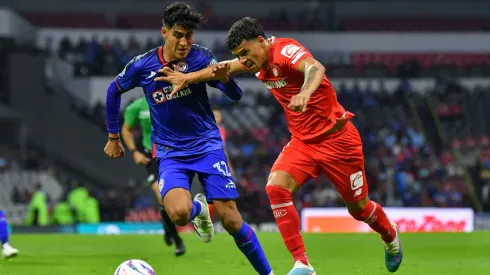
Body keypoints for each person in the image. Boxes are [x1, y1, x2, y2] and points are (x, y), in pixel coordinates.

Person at [155, 16, 403, 275]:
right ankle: (302, 263)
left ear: (261, 42)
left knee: (359, 209)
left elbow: (315, 68)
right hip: (303, 143)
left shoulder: (285, 50)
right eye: (240, 55)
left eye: (246, 53)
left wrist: (305, 93)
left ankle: (389, 234)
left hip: (338, 141)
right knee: (275, 188)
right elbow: (222, 68)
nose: (244, 60)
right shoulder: (256, 60)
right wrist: (188, 77)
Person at [103, 4, 274, 275]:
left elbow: (236, 94)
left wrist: (226, 80)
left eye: (189, 36)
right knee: (179, 214)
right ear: (164, 32)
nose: (184, 42)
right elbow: (113, 91)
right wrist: (114, 136)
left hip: (207, 145)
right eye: (178, 35)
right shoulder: (142, 65)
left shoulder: (201, 58)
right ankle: (199, 209)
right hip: (170, 151)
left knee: (231, 221)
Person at [121, 96, 185, 256]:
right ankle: (177, 240)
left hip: (173, 154)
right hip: (152, 156)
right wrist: (135, 152)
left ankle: (167, 226)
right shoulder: (137, 106)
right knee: (162, 196)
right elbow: (126, 129)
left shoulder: (173, 97)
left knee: (174, 200)